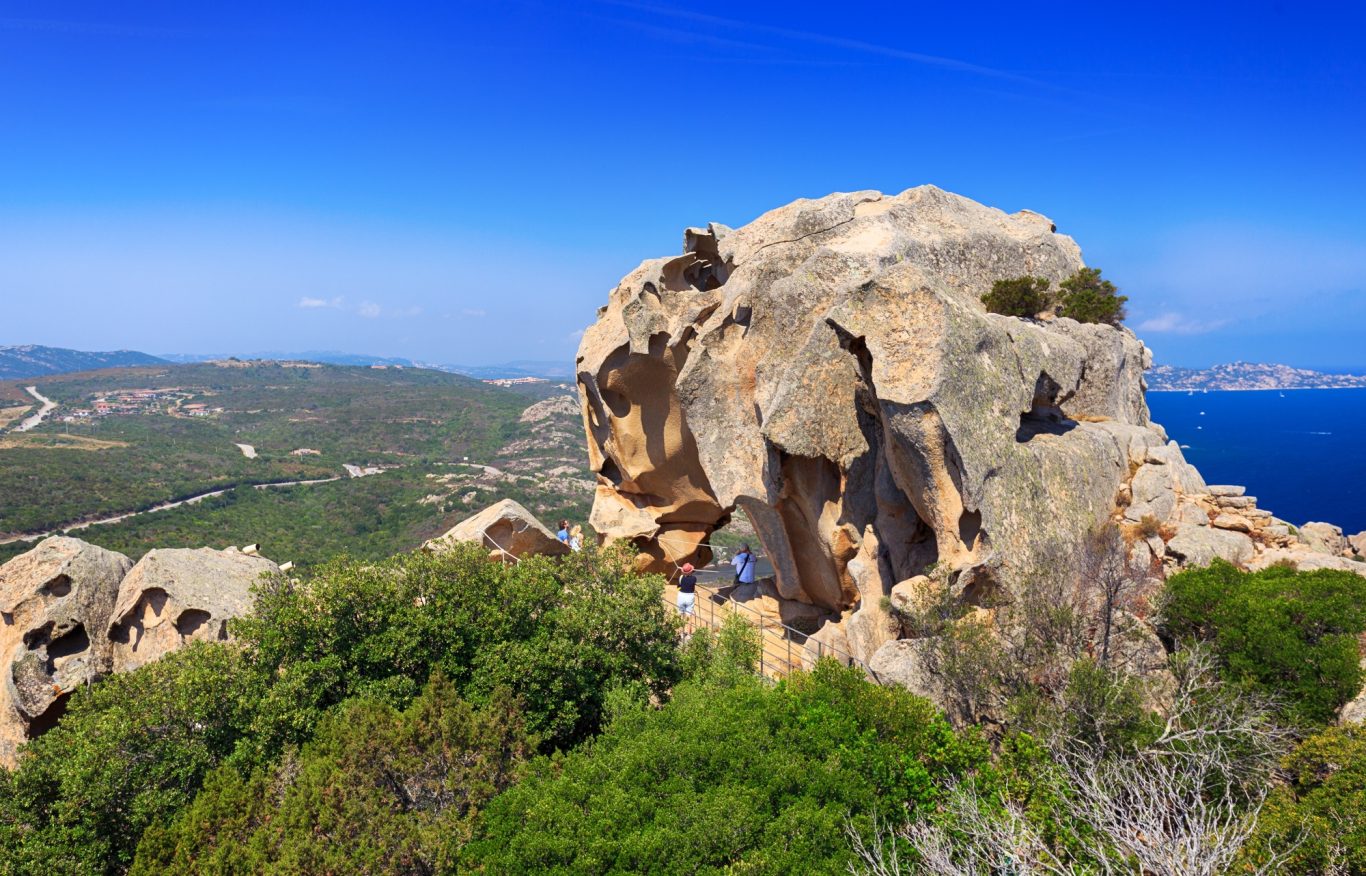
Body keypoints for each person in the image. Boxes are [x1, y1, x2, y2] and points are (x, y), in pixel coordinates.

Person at [676, 562, 697, 632]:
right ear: (691, 571)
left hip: (681, 596)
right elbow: (693, 587)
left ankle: (680, 632)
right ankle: (689, 633)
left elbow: (678, 587)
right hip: (689, 597)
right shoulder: (694, 578)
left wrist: (684, 572)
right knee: (689, 616)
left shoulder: (681, 577)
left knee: (681, 615)